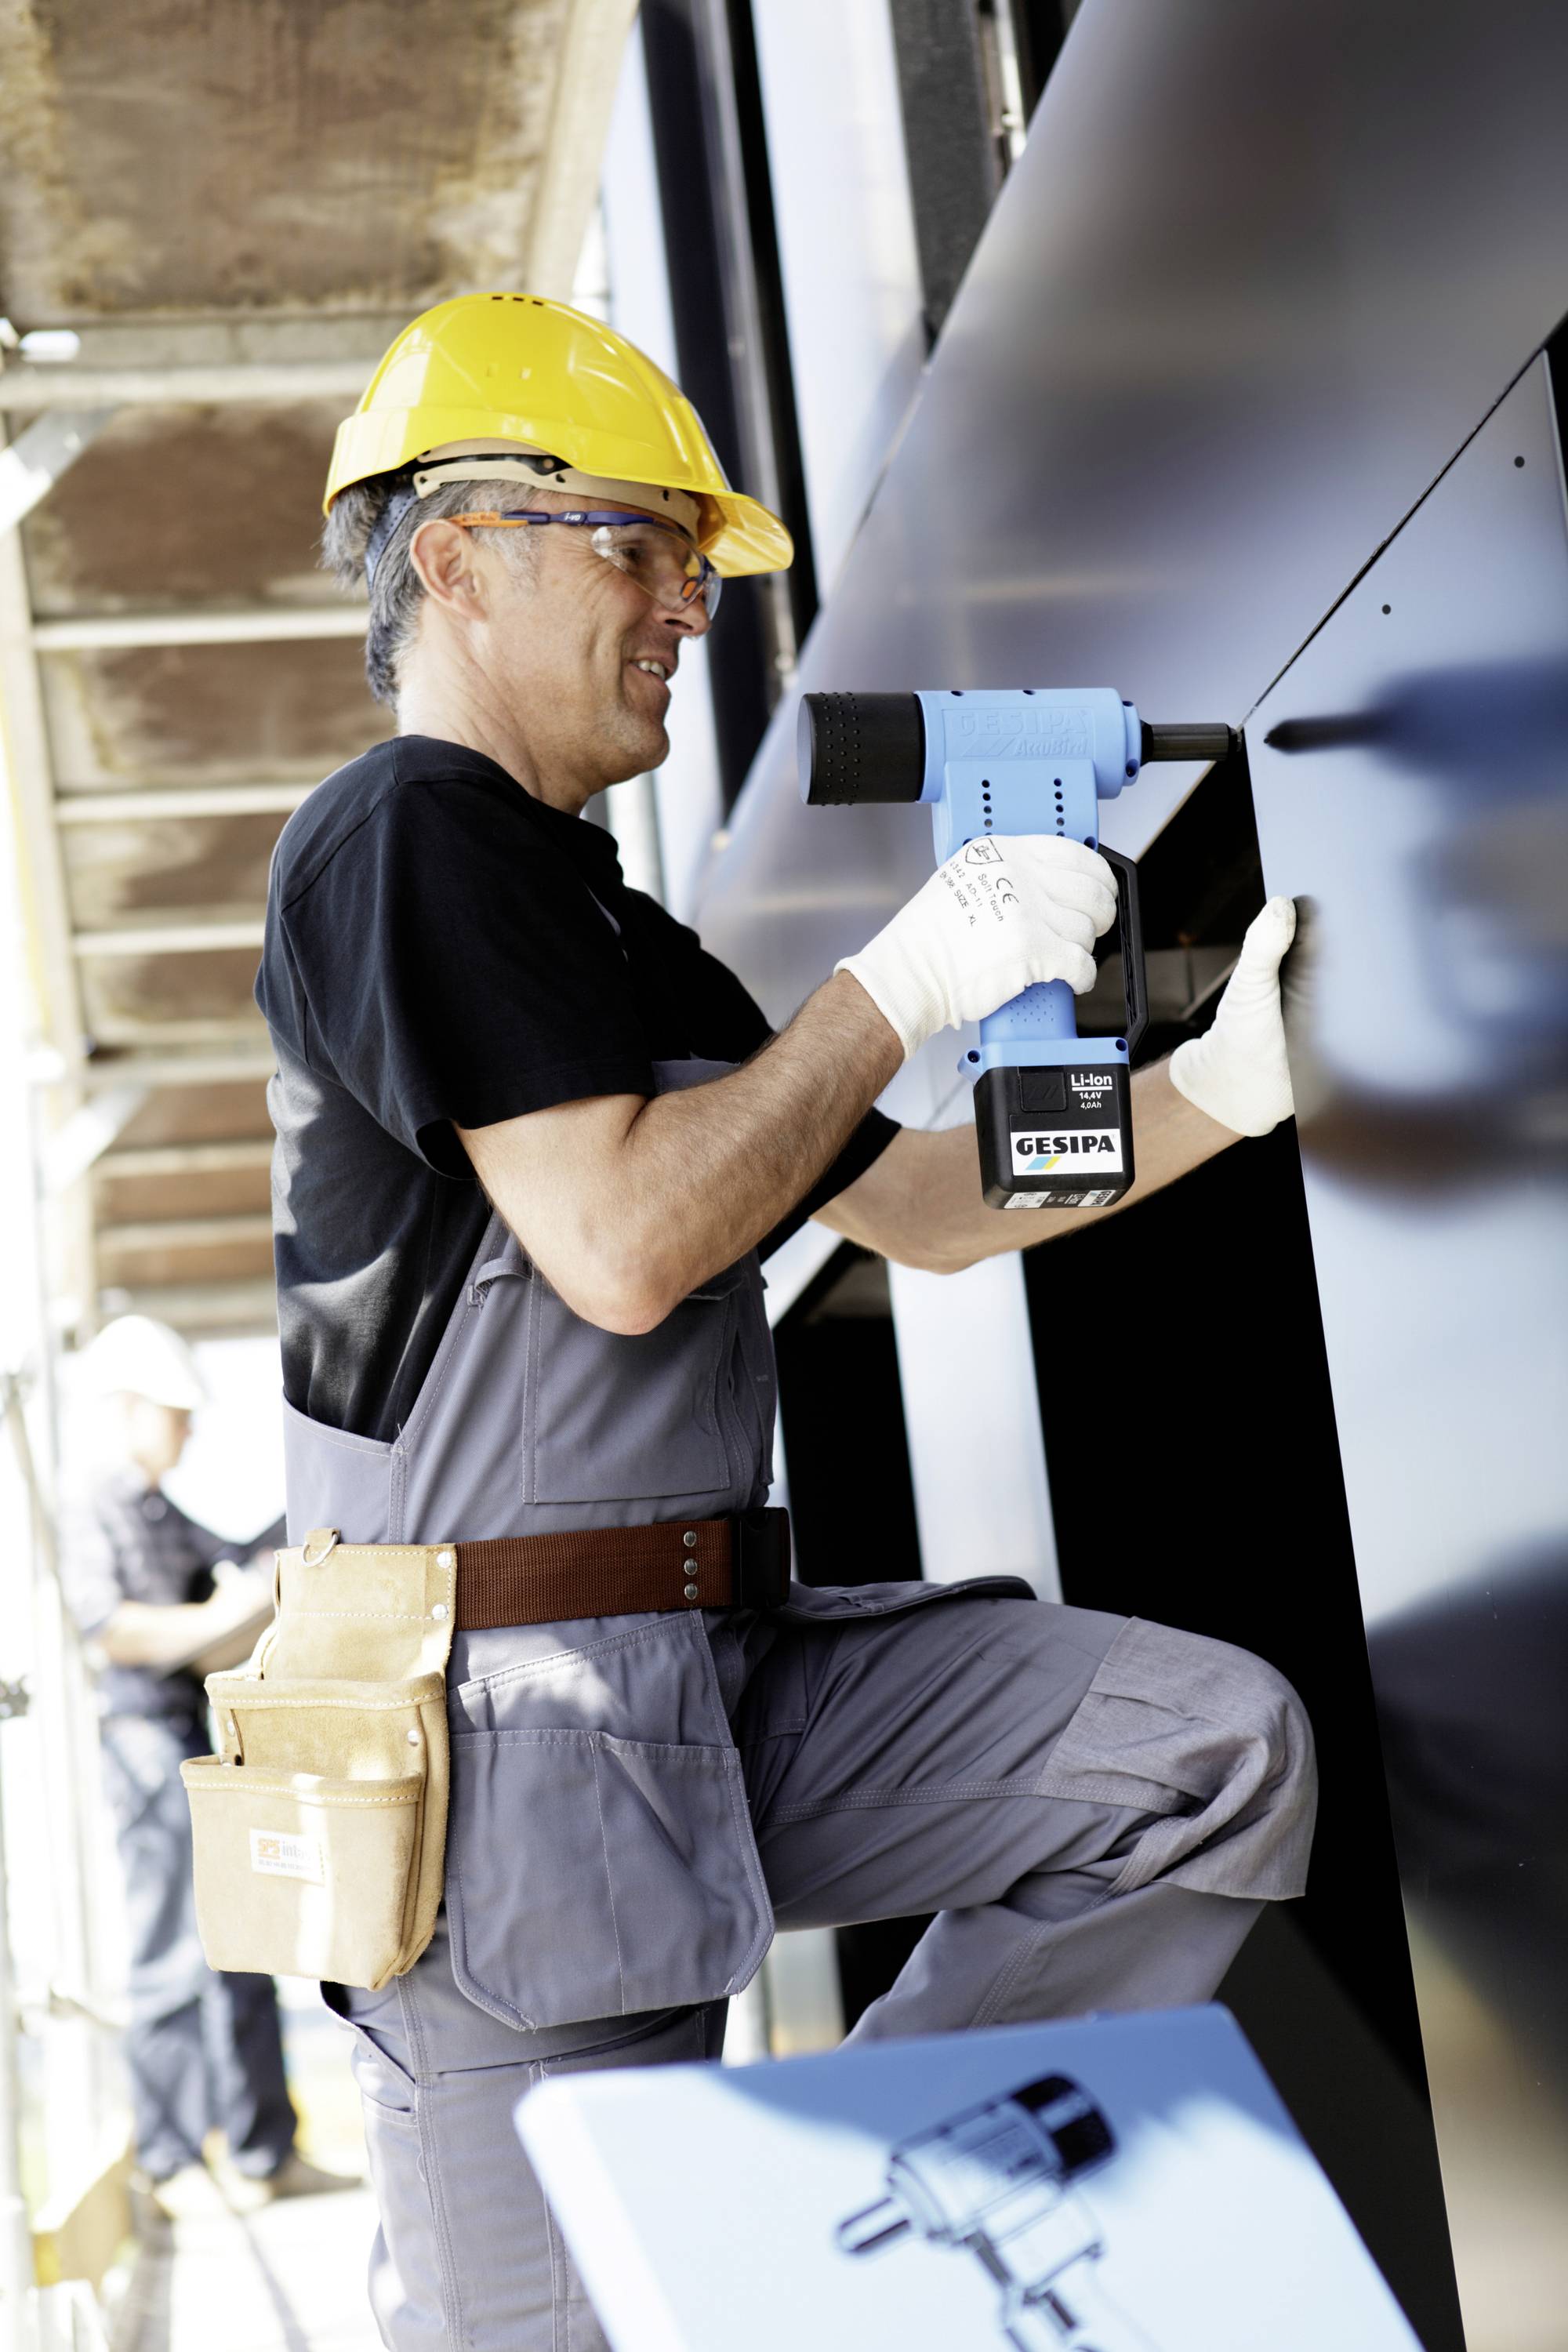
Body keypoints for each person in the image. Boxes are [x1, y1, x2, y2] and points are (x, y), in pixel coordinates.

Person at [256, 295, 1316, 2347]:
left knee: (1197, 1760)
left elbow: (917, 1207)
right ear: (457, 558)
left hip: (713, 1683)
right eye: (636, 547)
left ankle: (861, 2242)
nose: (688, 607)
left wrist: (1221, 1086)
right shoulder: (400, 841)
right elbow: (627, 1247)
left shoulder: (609, 927)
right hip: (508, 1763)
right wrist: (900, 981)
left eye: (694, 561)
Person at [59, 1315, 353, 2214]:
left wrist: (292, 1542)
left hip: (191, 1742)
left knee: (239, 1942)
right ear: (131, 1406)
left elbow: (220, 1571)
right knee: (168, 1956)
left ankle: (265, 2154)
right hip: (146, 1747)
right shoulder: (91, 1503)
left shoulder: (150, 1508)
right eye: (176, 1411)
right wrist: (223, 1618)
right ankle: (174, 2161)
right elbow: (116, 1632)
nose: (188, 1429)